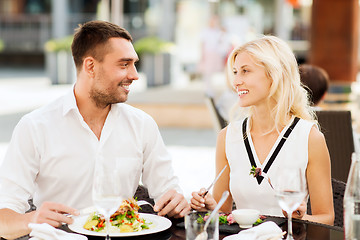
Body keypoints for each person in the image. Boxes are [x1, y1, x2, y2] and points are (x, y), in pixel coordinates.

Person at [0, 20, 190, 239]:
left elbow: (168, 192)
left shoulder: (142, 124)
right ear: (90, 66)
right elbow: (4, 221)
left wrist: (176, 202)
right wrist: (32, 219)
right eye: (124, 64)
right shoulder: (34, 127)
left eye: (134, 64)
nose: (135, 75)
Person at [190, 36, 334, 225]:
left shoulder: (309, 138)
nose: (236, 81)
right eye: (235, 72)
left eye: (245, 71)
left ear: (274, 75)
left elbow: (327, 218)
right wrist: (210, 206)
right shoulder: (227, 137)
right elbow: (223, 211)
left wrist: (300, 218)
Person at [197, 15, 232, 97]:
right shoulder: (205, 31)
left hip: (216, 54)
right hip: (208, 53)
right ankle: (207, 90)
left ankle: (216, 89)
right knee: (207, 73)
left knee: (216, 73)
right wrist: (202, 55)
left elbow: (222, 42)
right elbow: (202, 44)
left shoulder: (218, 31)